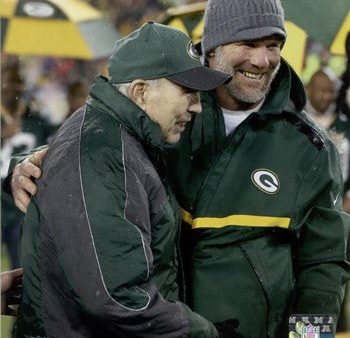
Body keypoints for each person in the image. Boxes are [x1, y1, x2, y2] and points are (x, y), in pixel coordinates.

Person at [9, 1, 350, 337]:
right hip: (160, 329)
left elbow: (324, 263)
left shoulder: (310, 148)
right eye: (247, 43)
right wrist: (30, 165)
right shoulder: (168, 113)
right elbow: (103, 150)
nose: (261, 59)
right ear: (212, 47)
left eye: (273, 45)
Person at [11, 22, 231, 338]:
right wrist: (204, 333)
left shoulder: (115, 135)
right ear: (141, 92)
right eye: (187, 91)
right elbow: (117, 299)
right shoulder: (105, 153)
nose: (197, 105)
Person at [1, 62, 53, 269]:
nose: (13, 86)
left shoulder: (34, 118)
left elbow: (49, 149)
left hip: (19, 207)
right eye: (8, 80)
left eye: (18, 81)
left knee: (21, 268)